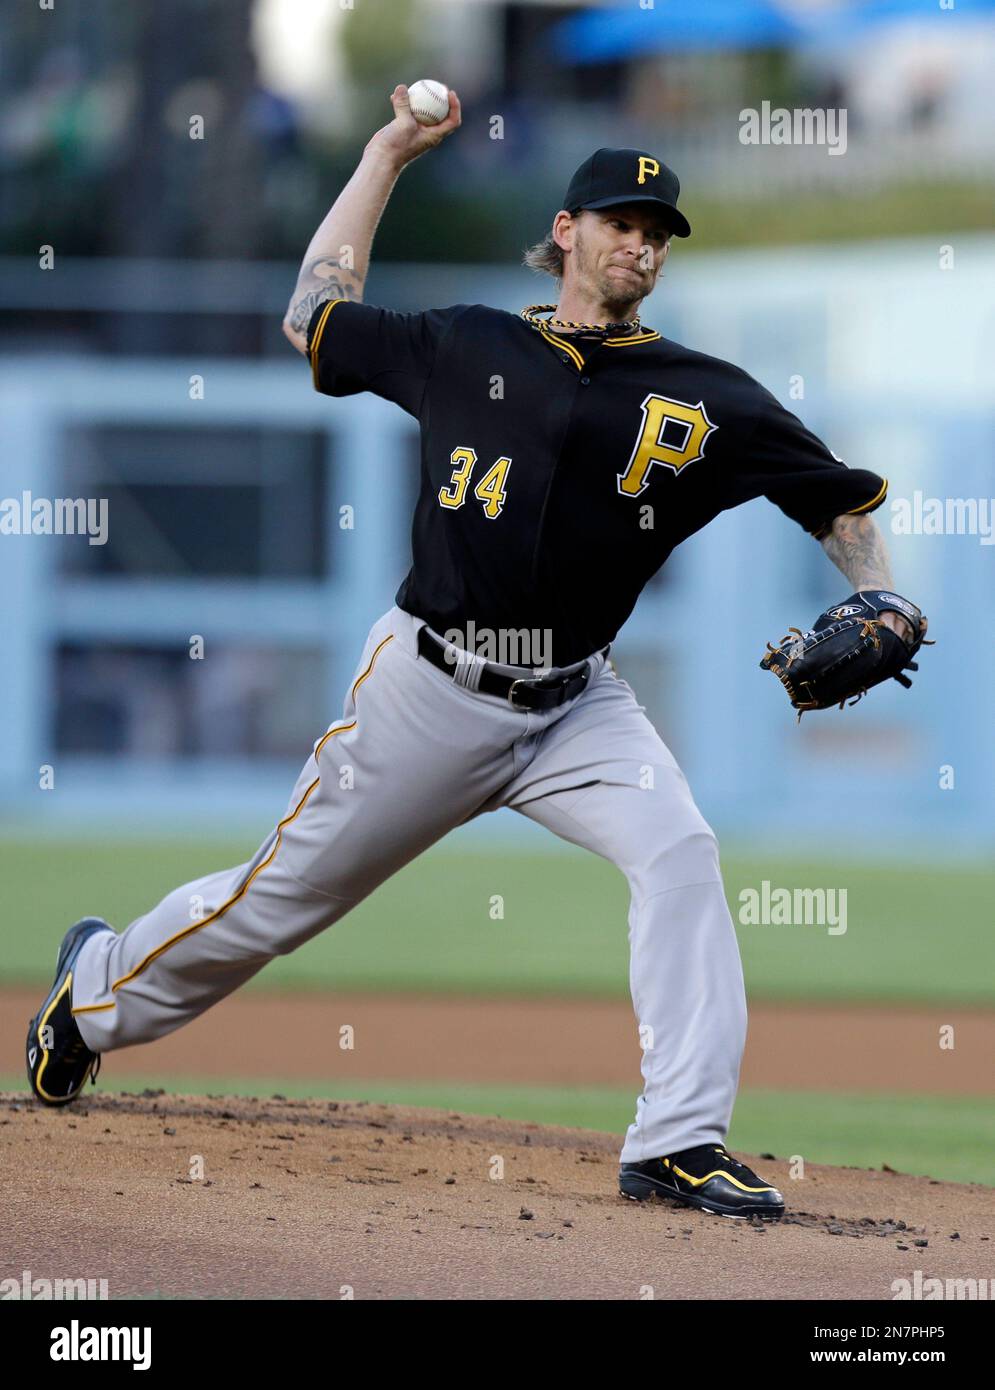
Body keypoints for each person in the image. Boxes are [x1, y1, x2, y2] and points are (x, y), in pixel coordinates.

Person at [27, 86, 915, 1222]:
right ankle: (92, 994)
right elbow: (312, 314)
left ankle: (677, 1141)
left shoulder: (707, 397)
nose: (637, 241)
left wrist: (879, 590)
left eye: (655, 231)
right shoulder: (466, 341)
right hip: (427, 691)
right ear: (564, 232)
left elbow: (837, 501)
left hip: (577, 705)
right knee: (274, 902)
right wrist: (387, 152)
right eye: (616, 220)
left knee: (679, 852)